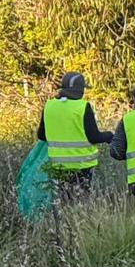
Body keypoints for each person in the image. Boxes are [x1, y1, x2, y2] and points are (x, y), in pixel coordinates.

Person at [37, 72, 113, 201]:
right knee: (81, 201)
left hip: (58, 165)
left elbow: (42, 135)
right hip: (82, 164)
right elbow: (94, 137)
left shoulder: (49, 106)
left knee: (64, 200)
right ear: (79, 90)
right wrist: (109, 136)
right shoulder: (82, 107)